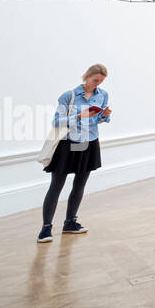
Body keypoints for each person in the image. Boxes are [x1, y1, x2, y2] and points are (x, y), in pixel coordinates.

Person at [38, 64, 112, 242]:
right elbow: (57, 122)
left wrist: (104, 115)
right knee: (56, 186)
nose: (97, 84)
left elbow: (99, 120)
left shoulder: (102, 95)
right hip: (68, 144)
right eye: (95, 80)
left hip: (89, 143)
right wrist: (78, 117)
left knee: (80, 185)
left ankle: (70, 222)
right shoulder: (68, 96)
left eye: (101, 81)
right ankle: (46, 228)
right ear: (87, 76)